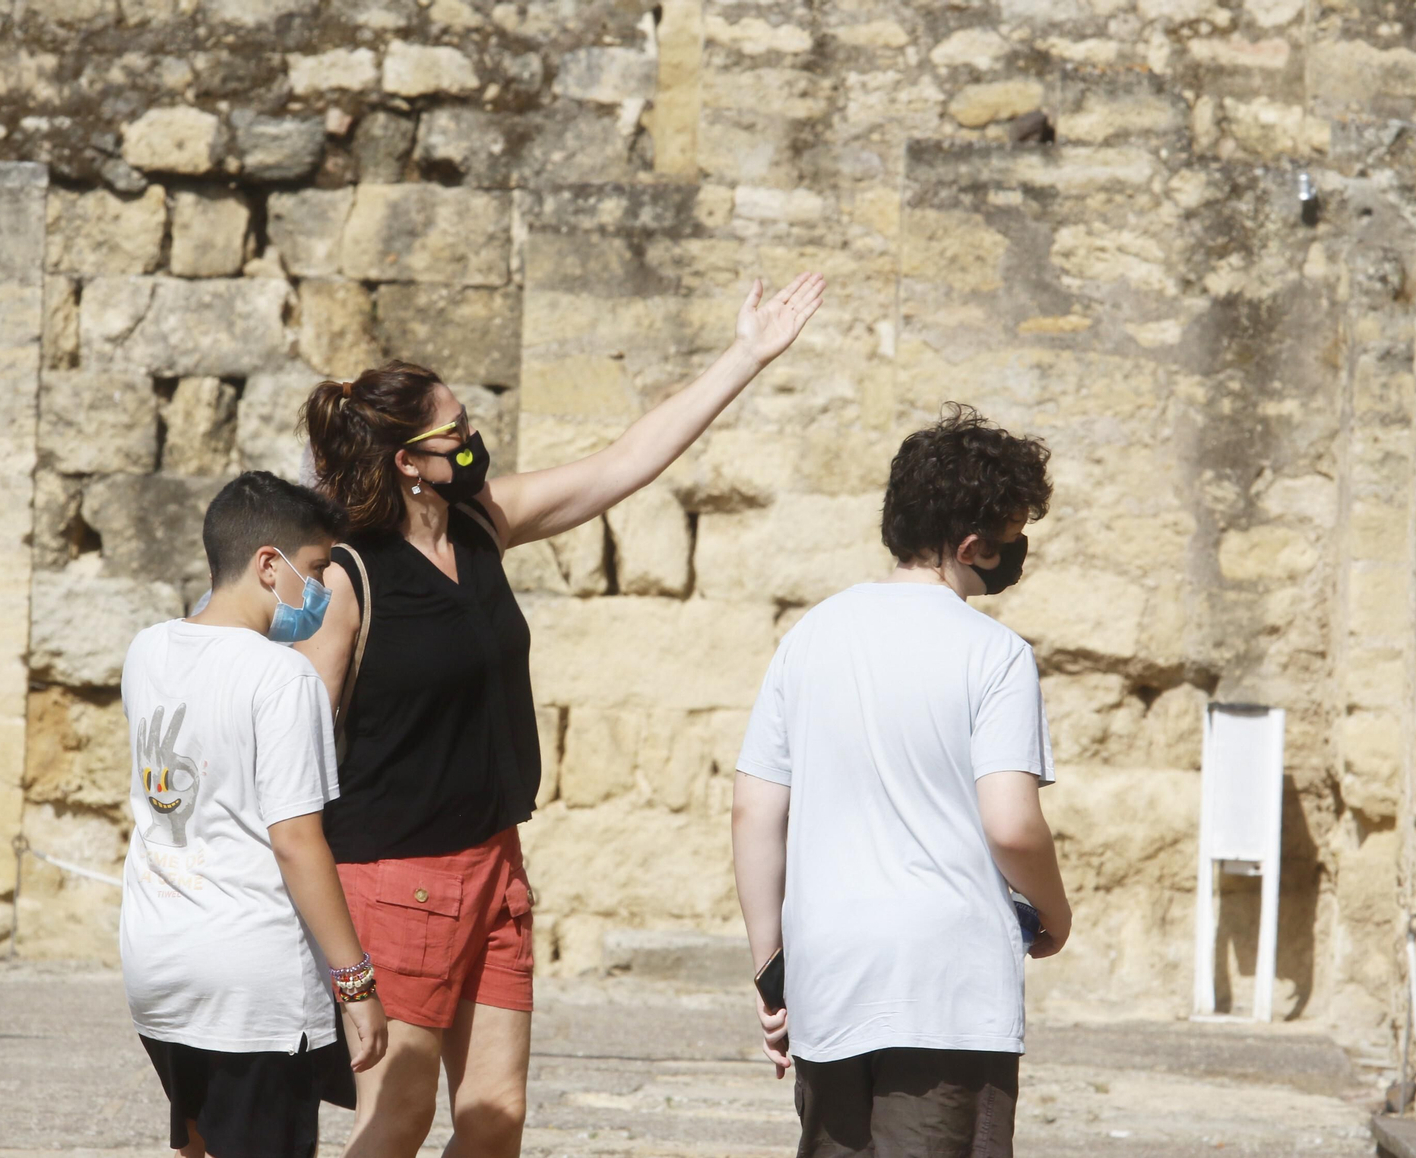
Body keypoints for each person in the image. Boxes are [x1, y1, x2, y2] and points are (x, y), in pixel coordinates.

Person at [293, 272, 826, 1158]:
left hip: (495, 864)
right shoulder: (349, 578)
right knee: (398, 1118)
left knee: (496, 1120)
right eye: (454, 431)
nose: (472, 441)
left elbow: (623, 464)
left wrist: (746, 355)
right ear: (406, 462)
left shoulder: (479, 525)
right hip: (395, 875)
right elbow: (292, 748)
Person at [730, 404, 1069, 1157]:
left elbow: (754, 809)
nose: (1015, 556)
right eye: (1013, 540)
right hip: (947, 989)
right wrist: (1055, 912)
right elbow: (1011, 824)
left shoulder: (810, 635)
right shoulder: (996, 654)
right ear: (973, 545)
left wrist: (771, 967)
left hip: (829, 974)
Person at [119, 471, 388, 1158]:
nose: (323, 592)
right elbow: (297, 841)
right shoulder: (283, 677)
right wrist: (355, 983)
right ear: (269, 565)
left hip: (158, 960)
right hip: (251, 983)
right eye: (318, 568)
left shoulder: (147, 649)